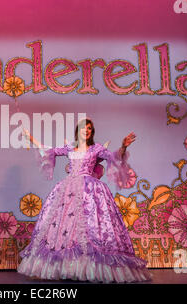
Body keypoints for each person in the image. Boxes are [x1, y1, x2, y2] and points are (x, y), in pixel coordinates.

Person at [18, 118, 151, 283]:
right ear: (78, 130)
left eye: (89, 128)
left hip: (89, 189)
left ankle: (90, 267)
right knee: (65, 228)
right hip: (68, 189)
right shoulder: (70, 147)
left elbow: (113, 157)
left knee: (90, 227)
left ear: (91, 132)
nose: (86, 130)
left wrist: (123, 146)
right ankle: (67, 267)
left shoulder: (96, 148)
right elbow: (49, 151)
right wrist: (31, 138)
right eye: (83, 128)